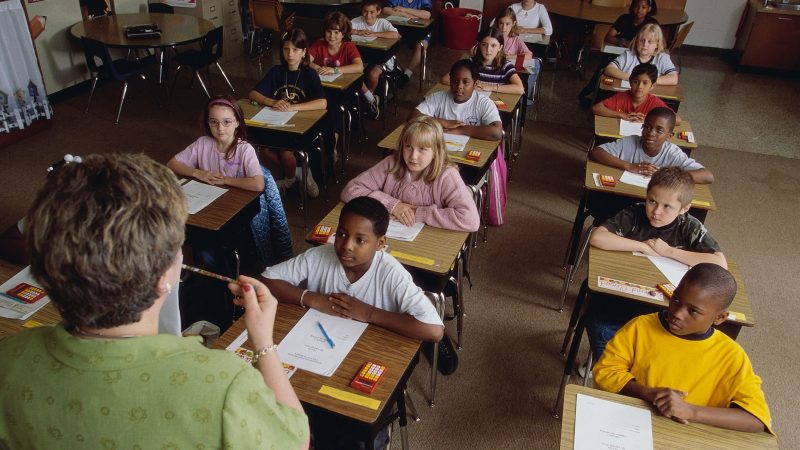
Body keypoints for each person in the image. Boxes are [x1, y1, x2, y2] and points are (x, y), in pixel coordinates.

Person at [0, 153, 309, 448]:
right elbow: (294, 442)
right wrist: (264, 344)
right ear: (164, 277)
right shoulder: (222, 384)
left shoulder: (9, 358)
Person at [593, 263, 774, 434]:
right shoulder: (640, 327)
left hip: (688, 436)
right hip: (632, 424)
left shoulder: (731, 355)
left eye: (693, 311)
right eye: (676, 299)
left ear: (719, 317)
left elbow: (756, 419)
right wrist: (647, 393)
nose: (677, 313)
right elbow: (604, 372)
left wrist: (690, 411)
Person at [585, 167, 727, 361]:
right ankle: (609, 363)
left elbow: (719, 262)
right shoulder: (635, 213)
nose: (656, 212)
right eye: (652, 201)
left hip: (664, 305)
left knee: (667, 342)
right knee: (600, 324)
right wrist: (642, 246)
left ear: (684, 208)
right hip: (624, 295)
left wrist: (669, 251)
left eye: (667, 206)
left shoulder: (688, 225)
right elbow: (598, 237)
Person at [261, 196, 445, 343]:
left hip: (373, 344)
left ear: (380, 243)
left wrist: (368, 313)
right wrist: (311, 298)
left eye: (360, 240)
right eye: (341, 234)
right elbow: (266, 281)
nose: (347, 246)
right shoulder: (318, 256)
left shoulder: (391, 273)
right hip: (325, 337)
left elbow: (434, 330)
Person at [341, 116, 479, 232]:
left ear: (436, 152)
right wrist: (392, 205)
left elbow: (470, 220)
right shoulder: (391, 163)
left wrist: (419, 213)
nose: (413, 156)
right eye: (408, 147)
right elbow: (350, 190)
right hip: (392, 235)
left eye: (422, 149)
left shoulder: (447, 176)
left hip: (429, 238)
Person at [249, 28, 326, 198]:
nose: (290, 54)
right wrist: (272, 101)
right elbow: (253, 94)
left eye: (295, 50)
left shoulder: (309, 74)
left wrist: (293, 107)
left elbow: (322, 102)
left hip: (300, 127)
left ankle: (291, 179)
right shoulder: (277, 72)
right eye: (286, 49)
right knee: (266, 150)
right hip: (277, 124)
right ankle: (298, 173)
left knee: (285, 152)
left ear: (304, 52)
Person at [589, 107, 713, 184]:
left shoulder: (672, 153)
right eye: (647, 127)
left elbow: (707, 176)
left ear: (669, 136)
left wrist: (665, 174)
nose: (650, 133)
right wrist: (629, 166)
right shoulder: (631, 142)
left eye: (659, 130)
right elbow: (596, 152)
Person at [309, 12, 364, 161]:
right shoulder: (319, 44)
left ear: (343, 33)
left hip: (342, 92)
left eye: (336, 32)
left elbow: (359, 67)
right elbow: (305, 60)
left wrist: (335, 70)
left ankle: (331, 148)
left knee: (333, 110)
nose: (332, 36)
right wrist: (316, 66)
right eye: (329, 31)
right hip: (323, 90)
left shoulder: (348, 46)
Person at [412, 59, 503, 141]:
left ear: (475, 84)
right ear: (450, 81)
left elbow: (496, 133)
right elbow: (413, 116)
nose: (459, 86)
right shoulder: (438, 98)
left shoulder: (483, 103)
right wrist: (443, 122)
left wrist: (460, 130)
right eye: (455, 81)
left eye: (465, 82)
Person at [351, 0, 400, 119]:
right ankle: (371, 99)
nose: (368, 15)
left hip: (381, 58)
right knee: (353, 75)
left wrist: (375, 34)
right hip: (363, 57)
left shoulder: (382, 22)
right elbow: (345, 30)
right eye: (365, 12)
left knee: (373, 74)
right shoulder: (357, 21)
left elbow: (395, 35)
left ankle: (369, 97)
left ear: (378, 11)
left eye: (372, 12)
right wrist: (358, 31)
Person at [442, 28, 524, 95]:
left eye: (493, 45)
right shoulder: (470, 63)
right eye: (484, 45)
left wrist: (489, 87)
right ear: (479, 45)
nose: (488, 50)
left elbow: (520, 88)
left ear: (500, 47)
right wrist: (470, 86)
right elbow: (445, 79)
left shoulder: (506, 66)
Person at [592, 63, 681, 124]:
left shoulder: (654, 102)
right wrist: (622, 115)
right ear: (630, 82)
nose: (639, 87)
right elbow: (596, 108)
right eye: (635, 82)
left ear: (653, 86)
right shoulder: (623, 97)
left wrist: (647, 120)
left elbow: (677, 120)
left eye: (645, 83)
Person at [492, 7, 540, 105]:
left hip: (510, 73)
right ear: (497, 23)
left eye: (507, 24)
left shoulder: (516, 39)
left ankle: (523, 97)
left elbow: (529, 55)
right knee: (501, 104)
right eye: (501, 23)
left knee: (535, 63)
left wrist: (510, 56)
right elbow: (474, 49)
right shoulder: (493, 36)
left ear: (513, 24)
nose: (504, 27)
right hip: (495, 73)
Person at [604, 23, 678, 85]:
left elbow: (674, 78)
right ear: (636, 41)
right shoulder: (628, 55)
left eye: (650, 41)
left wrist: (648, 82)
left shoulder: (662, 58)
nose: (645, 44)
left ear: (657, 45)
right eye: (642, 40)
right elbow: (609, 69)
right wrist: (632, 78)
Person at [382, 0, 432, 87]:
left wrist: (402, 9)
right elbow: (385, 9)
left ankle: (407, 74)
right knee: (387, 38)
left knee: (422, 43)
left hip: (419, 30)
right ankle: (393, 70)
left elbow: (427, 15)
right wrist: (409, 15)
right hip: (400, 28)